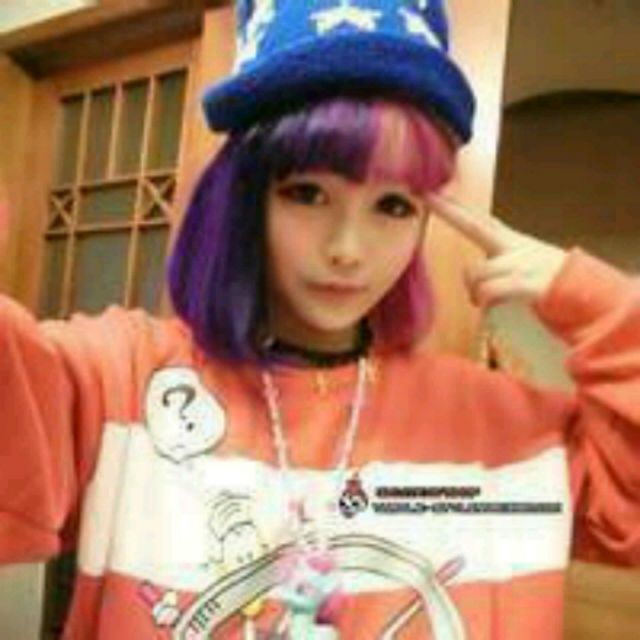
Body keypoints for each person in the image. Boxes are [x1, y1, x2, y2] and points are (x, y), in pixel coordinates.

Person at [1, 1, 639, 638]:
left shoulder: (501, 431)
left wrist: (604, 308)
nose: (348, 248)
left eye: (392, 205)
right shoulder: (122, 383)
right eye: (307, 193)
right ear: (244, 198)